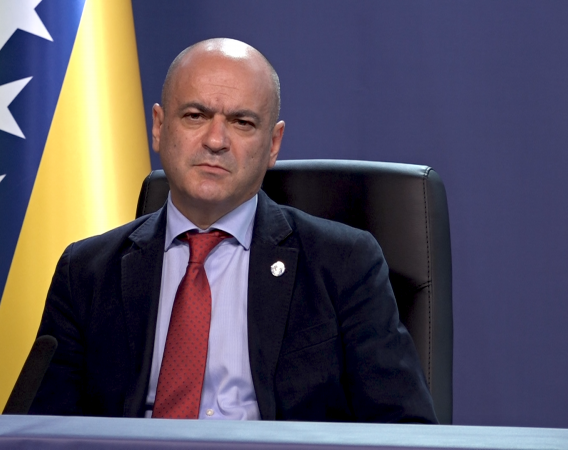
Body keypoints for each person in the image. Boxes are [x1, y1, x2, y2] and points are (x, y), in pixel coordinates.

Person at [30, 38, 437, 423]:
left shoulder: (343, 264)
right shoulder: (86, 272)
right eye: (195, 116)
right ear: (159, 127)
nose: (215, 140)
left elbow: (404, 429)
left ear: (273, 144)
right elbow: (42, 433)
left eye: (242, 122)